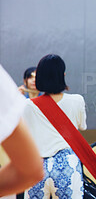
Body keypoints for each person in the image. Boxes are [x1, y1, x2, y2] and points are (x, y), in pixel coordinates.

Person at [22, 54, 87, 198]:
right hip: (67, 163)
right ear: (63, 75)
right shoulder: (77, 101)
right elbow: (81, 126)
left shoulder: (27, 105)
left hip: (37, 165)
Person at [0, 65, 43, 198]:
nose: (33, 80)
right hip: (17, 154)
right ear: (25, 81)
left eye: (37, 77)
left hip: (36, 152)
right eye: (31, 77)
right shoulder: (17, 100)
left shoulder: (48, 102)